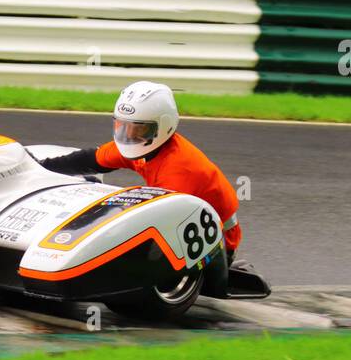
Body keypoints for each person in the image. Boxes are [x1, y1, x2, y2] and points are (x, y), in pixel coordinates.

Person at [38, 81, 244, 261]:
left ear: (163, 126)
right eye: (123, 126)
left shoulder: (179, 170)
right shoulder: (145, 147)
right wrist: (41, 167)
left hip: (218, 242)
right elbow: (90, 159)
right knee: (91, 182)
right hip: (181, 218)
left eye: (139, 129)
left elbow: (163, 223)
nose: (129, 135)